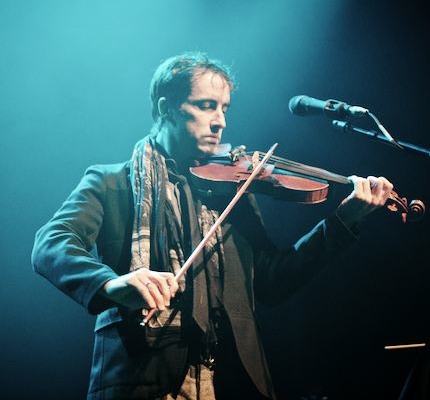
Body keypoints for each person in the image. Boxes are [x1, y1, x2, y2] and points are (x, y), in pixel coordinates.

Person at [31, 51, 394, 400]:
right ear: (166, 108)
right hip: (144, 379)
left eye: (224, 109)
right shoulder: (112, 183)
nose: (220, 120)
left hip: (233, 380)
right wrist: (110, 284)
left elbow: (271, 282)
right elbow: (52, 243)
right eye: (205, 106)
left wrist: (343, 221)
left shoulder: (232, 191)